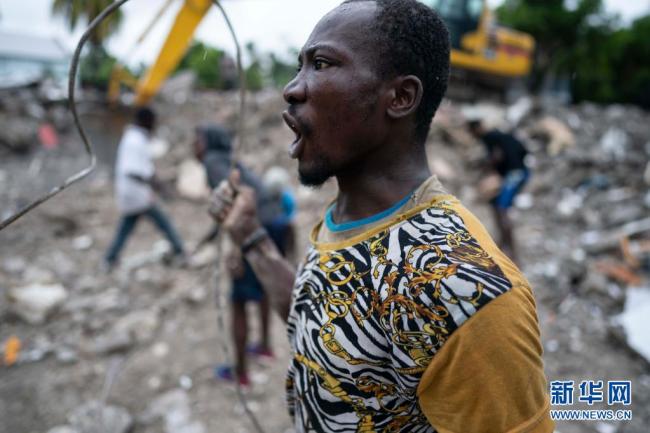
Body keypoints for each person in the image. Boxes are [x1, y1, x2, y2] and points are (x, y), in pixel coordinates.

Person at [211, 1, 553, 431]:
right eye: (300, 66)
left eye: (321, 63)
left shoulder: (465, 287)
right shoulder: (347, 218)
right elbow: (318, 318)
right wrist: (250, 237)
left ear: (401, 97)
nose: (292, 88)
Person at [193, 125, 295, 387]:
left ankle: (240, 372)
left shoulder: (212, 162)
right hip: (275, 222)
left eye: (197, 139)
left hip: (256, 227)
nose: (193, 145)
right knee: (263, 287)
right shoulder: (231, 161)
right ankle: (264, 345)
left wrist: (236, 251)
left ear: (206, 141)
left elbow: (234, 210)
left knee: (238, 301)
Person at [105, 107, 186, 269]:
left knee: (127, 225)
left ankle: (110, 259)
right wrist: (156, 185)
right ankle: (180, 251)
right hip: (136, 192)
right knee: (163, 221)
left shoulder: (135, 138)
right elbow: (134, 170)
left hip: (133, 192)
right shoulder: (135, 140)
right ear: (146, 121)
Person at [468, 119, 530, 261]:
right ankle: (502, 246)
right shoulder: (500, 135)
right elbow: (523, 151)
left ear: (476, 129)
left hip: (515, 173)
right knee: (496, 205)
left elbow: (497, 156)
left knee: (502, 209)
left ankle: (512, 252)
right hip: (518, 172)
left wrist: (487, 169)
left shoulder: (488, 137)